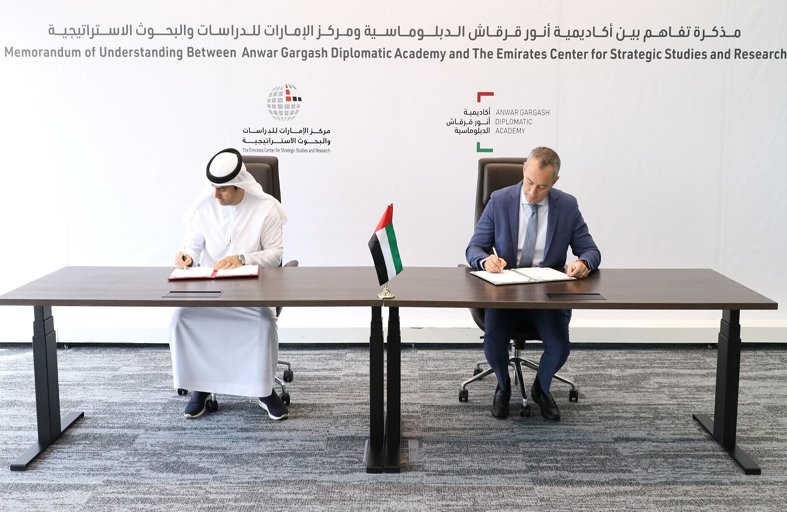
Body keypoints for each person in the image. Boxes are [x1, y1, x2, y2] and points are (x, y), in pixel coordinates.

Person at [466, 147, 601, 421]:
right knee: (493, 344)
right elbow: (474, 248)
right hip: (506, 293)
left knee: (560, 347)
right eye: (529, 182)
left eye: (542, 187)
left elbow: (591, 251)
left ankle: (541, 388)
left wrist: (584, 263)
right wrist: (485, 260)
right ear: (524, 169)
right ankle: (503, 387)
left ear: (555, 182)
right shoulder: (499, 200)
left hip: (547, 295)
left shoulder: (567, 206)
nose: (532, 192)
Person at [170, 148, 290, 420]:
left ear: (239, 185)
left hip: (254, 290)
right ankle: (200, 386)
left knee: (263, 321)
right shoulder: (203, 207)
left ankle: (264, 390)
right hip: (211, 290)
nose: (215, 195)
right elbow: (190, 248)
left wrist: (243, 258)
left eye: (222, 189)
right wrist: (186, 257)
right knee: (181, 318)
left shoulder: (265, 208)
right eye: (213, 187)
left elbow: (275, 254)